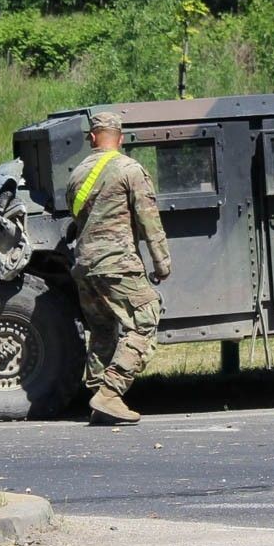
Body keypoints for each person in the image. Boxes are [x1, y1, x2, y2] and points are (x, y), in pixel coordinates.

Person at [67, 111, 171, 425]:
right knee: (145, 319)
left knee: (101, 330)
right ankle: (111, 393)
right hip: (117, 263)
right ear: (121, 138)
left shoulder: (77, 174)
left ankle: (99, 401)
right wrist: (161, 260)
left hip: (85, 265)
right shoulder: (129, 169)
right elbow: (147, 217)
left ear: (92, 137)